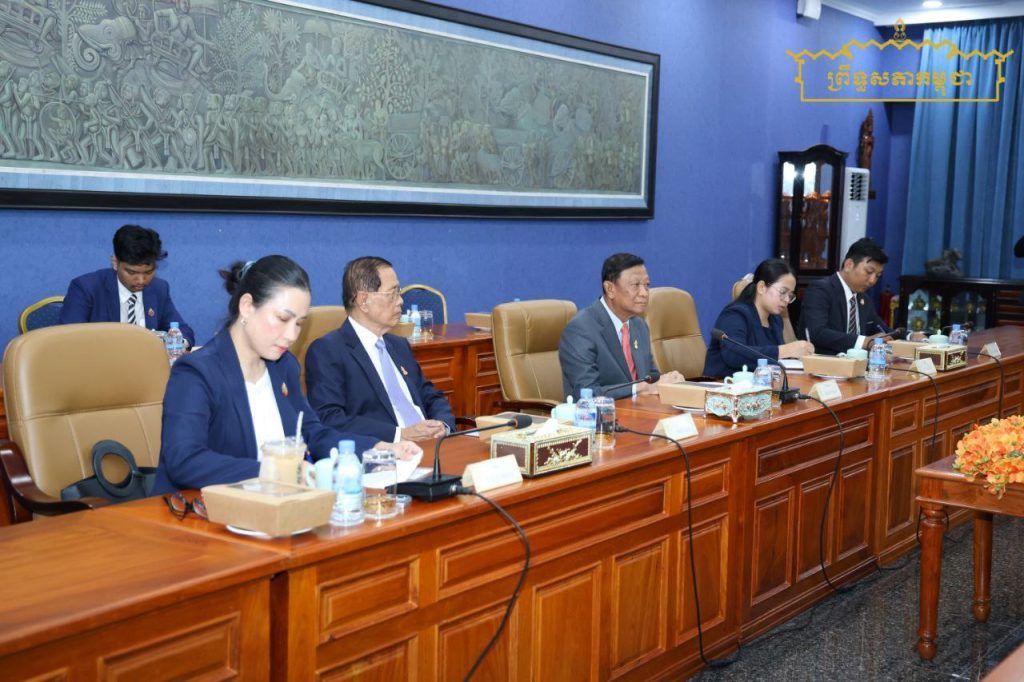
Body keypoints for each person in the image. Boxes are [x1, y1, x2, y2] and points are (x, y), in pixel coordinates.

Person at [153, 256, 421, 494]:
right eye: (283, 319)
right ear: (247, 306)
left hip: (276, 507)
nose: (292, 335)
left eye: (299, 324)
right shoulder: (196, 373)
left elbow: (314, 434)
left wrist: (378, 449)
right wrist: (273, 472)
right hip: (201, 515)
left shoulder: (284, 367)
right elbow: (184, 460)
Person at [306, 256, 456, 443]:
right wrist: (400, 435)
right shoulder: (328, 351)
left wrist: (442, 425)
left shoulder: (399, 345)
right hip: (385, 452)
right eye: (392, 293)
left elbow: (431, 396)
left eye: (399, 292)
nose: (400, 301)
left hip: (434, 445)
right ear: (363, 300)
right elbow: (330, 419)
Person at [560, 253, 684, 400]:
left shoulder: (639, 325)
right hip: (601, 414)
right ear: (610, 289)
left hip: (639, 409)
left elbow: (650, 377)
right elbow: (588, 393)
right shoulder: (581, 329)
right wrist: (640, 388)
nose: (644, 293)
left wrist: (668, 381)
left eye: (646, 285)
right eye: (636, 285)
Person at [60, 224, 196, 347]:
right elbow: (69, 341)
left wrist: (177, 343)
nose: (141, 280)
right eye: (132, 272)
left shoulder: (158, 288)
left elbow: (184, 331)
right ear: (115, 262)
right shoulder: (86, 288)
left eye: (148, 272)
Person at [703, 259, 814, 377]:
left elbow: (775, 360)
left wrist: (797, 354)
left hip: (761, 384)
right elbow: (734, 355)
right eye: (783, 292)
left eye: (790, 295)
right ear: (761, 287)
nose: (787, 300)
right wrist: (785, 351)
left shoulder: (776, 320)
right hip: (724, 383)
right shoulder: (734, 315)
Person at [798, 237, 893, 355]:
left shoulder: (864, 299)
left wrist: (909, 336)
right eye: (869, 272)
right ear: (849, 265)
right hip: (824, 362)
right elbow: (818, 333)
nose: (872, 280)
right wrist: (864, 341)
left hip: (858, 364)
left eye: (878, 276)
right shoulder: (820, 290)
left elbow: (882, 329)